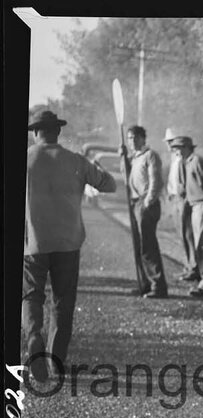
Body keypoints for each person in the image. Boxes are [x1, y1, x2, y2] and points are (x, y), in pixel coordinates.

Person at [24, 110, 117, 381]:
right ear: (58, 132)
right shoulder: (76, 160)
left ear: (34, 133)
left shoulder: (25, 159)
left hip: (33, 243)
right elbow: (109, 184)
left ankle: (33, 339)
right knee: (63, 302)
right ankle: (56, 359)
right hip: (68, 243)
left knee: (31, 296)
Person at [120, 125, 167, 298]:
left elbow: (156, 181)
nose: (132, 141)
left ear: (142, 138)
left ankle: (158, 287)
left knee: (148, 247)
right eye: (129, 138)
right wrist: (123, 158)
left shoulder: (150, 155)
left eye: (135, 138)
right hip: (135, 204)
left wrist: (148, 202)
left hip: (146, 204)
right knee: (138, 246)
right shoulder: (134, 158)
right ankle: (144, 284)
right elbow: (126, 178)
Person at [169, 135, 203, 296]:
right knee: (199, 246)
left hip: (201, 206)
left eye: (178, 148)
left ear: (186, 148)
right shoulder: (187, 163)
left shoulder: (197, 161)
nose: (176, 151)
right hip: (193, 206)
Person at [164, 127, 198, 282]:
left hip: (182, 199)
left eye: (173, 143)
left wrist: (182, 197)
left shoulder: (183, 160)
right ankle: (188, 266)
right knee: (182, 235)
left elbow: (184, 183)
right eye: (170, 143)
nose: (170, 146)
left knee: (187, 234)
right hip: (175, 199)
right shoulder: (175, 158)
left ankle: (193, 267)